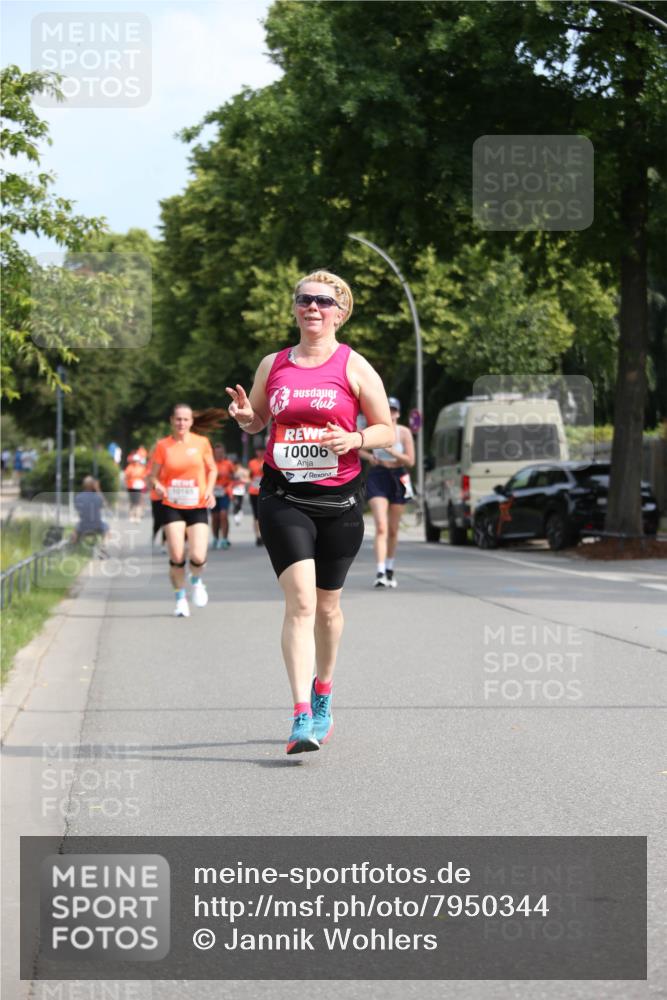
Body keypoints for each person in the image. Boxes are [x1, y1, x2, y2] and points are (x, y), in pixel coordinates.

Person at [226, 269, 393, 755]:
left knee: (328, 608)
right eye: (305, 300)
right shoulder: (273, 364)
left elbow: (386, 429)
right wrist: (246, 419)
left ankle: (324, 691)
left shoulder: (354, 366)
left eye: (323, 301)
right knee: (299, 603)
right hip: (284, 496)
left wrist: (356, 438)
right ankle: (301, 715)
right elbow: (259, 420)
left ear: (340, 312)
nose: (312, 307)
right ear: (295, 308)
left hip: (339, 502)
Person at [149, 404, 223, 617]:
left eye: (185, 419)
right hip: (173, 505)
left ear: (191, 422)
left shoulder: (202, 443)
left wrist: (209, 491)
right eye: (178, 419)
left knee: (198, 556)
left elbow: (212, 469)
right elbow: (153, 475)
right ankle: (180, 598)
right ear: (171, 420)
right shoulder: (163, 446)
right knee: (177, 555)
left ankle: (197, 580)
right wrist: (158, 485)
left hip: (197, 505)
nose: (181, 423)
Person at [359, 396, 416, 589]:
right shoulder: (374, 429)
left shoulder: (404, 432)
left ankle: (390, 567)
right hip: (378, 476)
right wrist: (370, 457)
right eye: (387, 409)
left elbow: (411, 461)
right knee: (381, 526)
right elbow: (357, 446)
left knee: (392, 529)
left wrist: (393, 452)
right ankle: (381, 571)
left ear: (398, 413)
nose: (390, 413)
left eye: (393, 410)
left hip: (398, 476)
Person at [72, 476, 109, 552]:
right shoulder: (98, 497)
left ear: (83, 485)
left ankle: (73, 547)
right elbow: (106, 505)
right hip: (97, 525)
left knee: (76, 528)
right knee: (107, 528)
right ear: (93, 486)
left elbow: (78, 510)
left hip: (83, 525)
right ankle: (103, 547)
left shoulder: (78, 497)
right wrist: (98, 490)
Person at [211, 443, 234, 549]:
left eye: (221, 453)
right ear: (214, 453)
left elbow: (234, 476)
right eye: (217, 453)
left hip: (225, 492)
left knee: (223, 515)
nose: (219, 455)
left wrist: (227, 476)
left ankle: (224, 539)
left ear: (224, 453)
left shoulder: (228, 463)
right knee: (215, 517)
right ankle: (215, 538)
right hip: (213, 493)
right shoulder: (211, 464)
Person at [247, 440, 266, 546]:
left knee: (264, 515)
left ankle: (265, 535)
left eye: (262, 450)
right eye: (258, 451)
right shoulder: (252, 463)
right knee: (256, 516)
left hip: (265, 490)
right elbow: (249, 476)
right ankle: (258, 536)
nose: (260, 453)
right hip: (254, 491)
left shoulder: (267, 461)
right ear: (256, 452)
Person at [124, 453, 147, 523]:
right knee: (132, 502)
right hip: (131, 486)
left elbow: (145, 476)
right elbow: (126, 476)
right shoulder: (129, 467)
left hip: (139, 486)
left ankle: (137, 516)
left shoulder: (142, 468)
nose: (136, 462)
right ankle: (131, 516)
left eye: (137, 461)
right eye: (135, 460)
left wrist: (144, 484)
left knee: (138, 502)